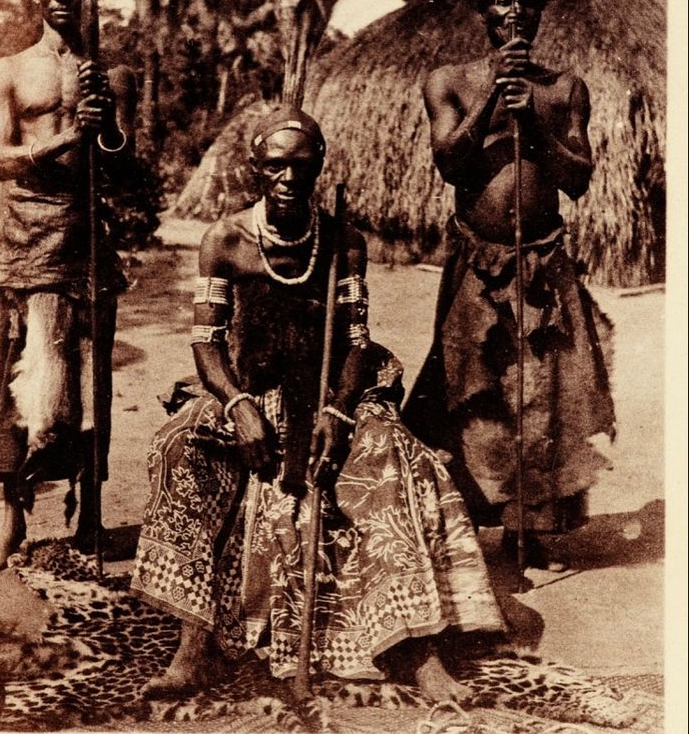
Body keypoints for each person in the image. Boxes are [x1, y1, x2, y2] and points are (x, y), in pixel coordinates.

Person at [131, 107, 504, 704]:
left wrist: (338, 413)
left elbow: (357, 343)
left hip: (336, 390)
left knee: (401, 463)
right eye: (274, 166)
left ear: (319, 166)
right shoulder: (224, 240)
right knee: (177, 450)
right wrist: (236, 406)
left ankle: (420, 653)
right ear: (256, 169)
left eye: (300, 166)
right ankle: (192, 647)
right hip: (246, 389)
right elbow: (206, 341)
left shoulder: (342, 241)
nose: (287, 177)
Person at [402, 0, 615, 569]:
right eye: (502, 3)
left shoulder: (565, 88)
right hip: (477, 256)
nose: (515, 11)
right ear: (485, 14)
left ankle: (532, 527)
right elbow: (450, 161)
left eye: (527, 2)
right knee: (474, 384)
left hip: (543, 258)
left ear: (541, 12)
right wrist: (495, 93)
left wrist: (532, 122)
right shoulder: (450, 80)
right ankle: (473, 519)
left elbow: (578, 177)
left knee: (542, 387)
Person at [0, 0, 136, 571]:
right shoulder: (10, 71)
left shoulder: (109, 74)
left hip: (85, 242)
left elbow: (122, 162)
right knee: (10, 378)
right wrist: (67, 137)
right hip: (24, 240)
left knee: (90, 380)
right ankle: (13, 518)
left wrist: (107, 121)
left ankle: (88, 511)